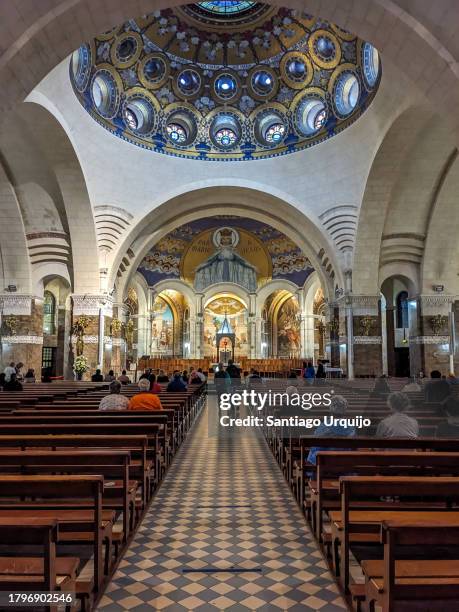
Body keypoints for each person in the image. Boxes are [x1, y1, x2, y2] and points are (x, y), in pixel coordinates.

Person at [307, 395, 356, 464]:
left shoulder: (323, 425)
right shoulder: (351, 427)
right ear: (344, 410)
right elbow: (353, 448)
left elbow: (315, 446)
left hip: (323, 463)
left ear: (330, 409)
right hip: (344, 463)